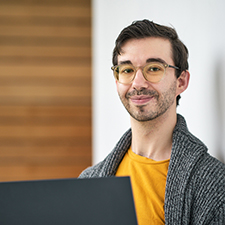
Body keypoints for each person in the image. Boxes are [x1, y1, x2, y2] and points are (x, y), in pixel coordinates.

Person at [79, 19, 225, 224]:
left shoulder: (214, 185)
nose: (137, 83)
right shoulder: (88, 182)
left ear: (181, 81)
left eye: (154, 69)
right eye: (127, 70)